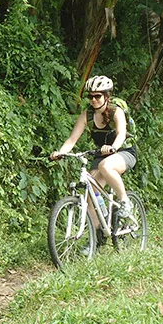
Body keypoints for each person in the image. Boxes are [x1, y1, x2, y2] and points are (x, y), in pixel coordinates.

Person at [50, 75, 137, 220]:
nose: (93, 100)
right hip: (102, 154)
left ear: (106, 96)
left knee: (105, 166)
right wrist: (60, 152)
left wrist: (113, 148)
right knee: (91, 194)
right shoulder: (87, 115)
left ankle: (125, 202)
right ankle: (98, 236)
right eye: (90, 97)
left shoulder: (116, 111)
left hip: (124, 151)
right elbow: (72, 140)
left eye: (97, 96)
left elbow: (121, 134)